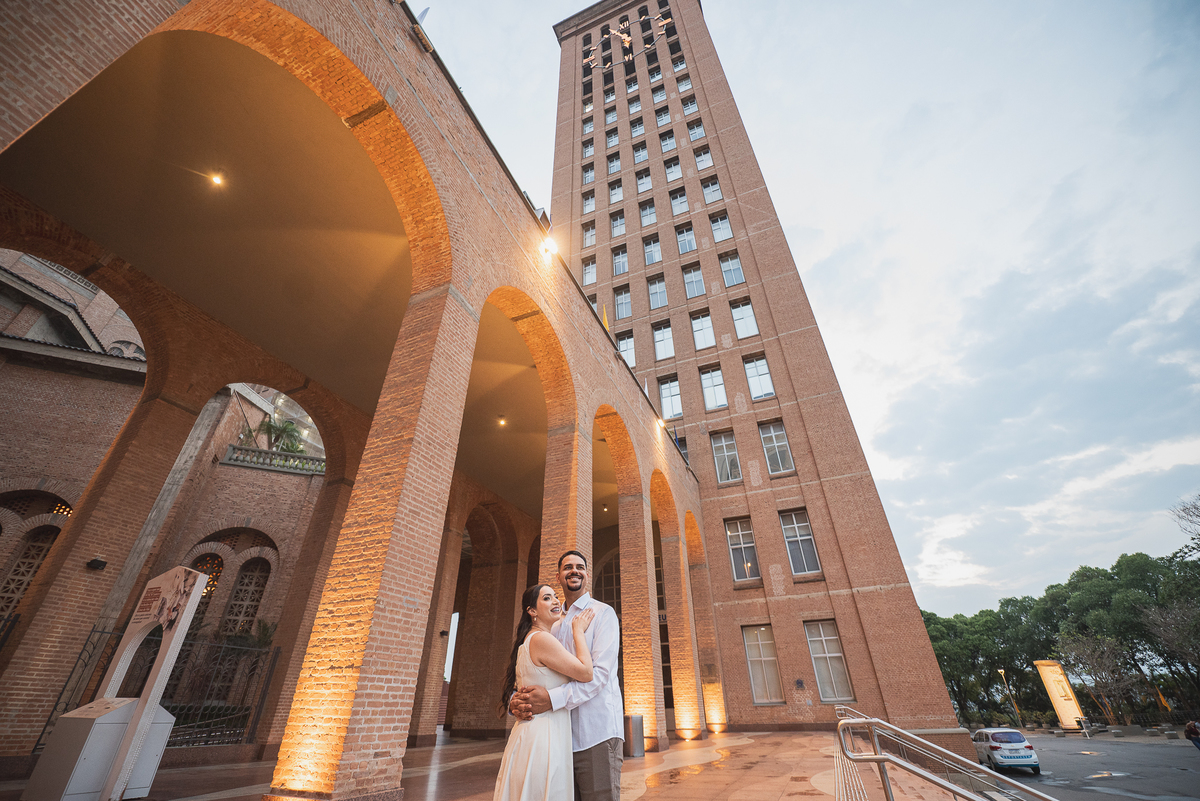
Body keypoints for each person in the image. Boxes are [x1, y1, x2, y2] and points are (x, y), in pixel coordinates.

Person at [510, 551, 624, 801]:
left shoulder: (602, 614)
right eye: (568, 567)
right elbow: (536, 672)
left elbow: (598, 676)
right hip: (556, 737)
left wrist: (551, 700)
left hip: (595, 733)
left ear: (587, 574)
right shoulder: (552, 622)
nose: (574, 571)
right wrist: (516, 701)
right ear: (558, 576)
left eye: (580, 567)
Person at [493, 583, 595, 800]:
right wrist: (578, 632)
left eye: (555, 596)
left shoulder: (529, 640)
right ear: (532, 611)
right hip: (543, 737)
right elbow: (586, 672)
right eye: (547, 598)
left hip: (531, 734)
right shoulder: (541, 639)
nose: (556, 601)